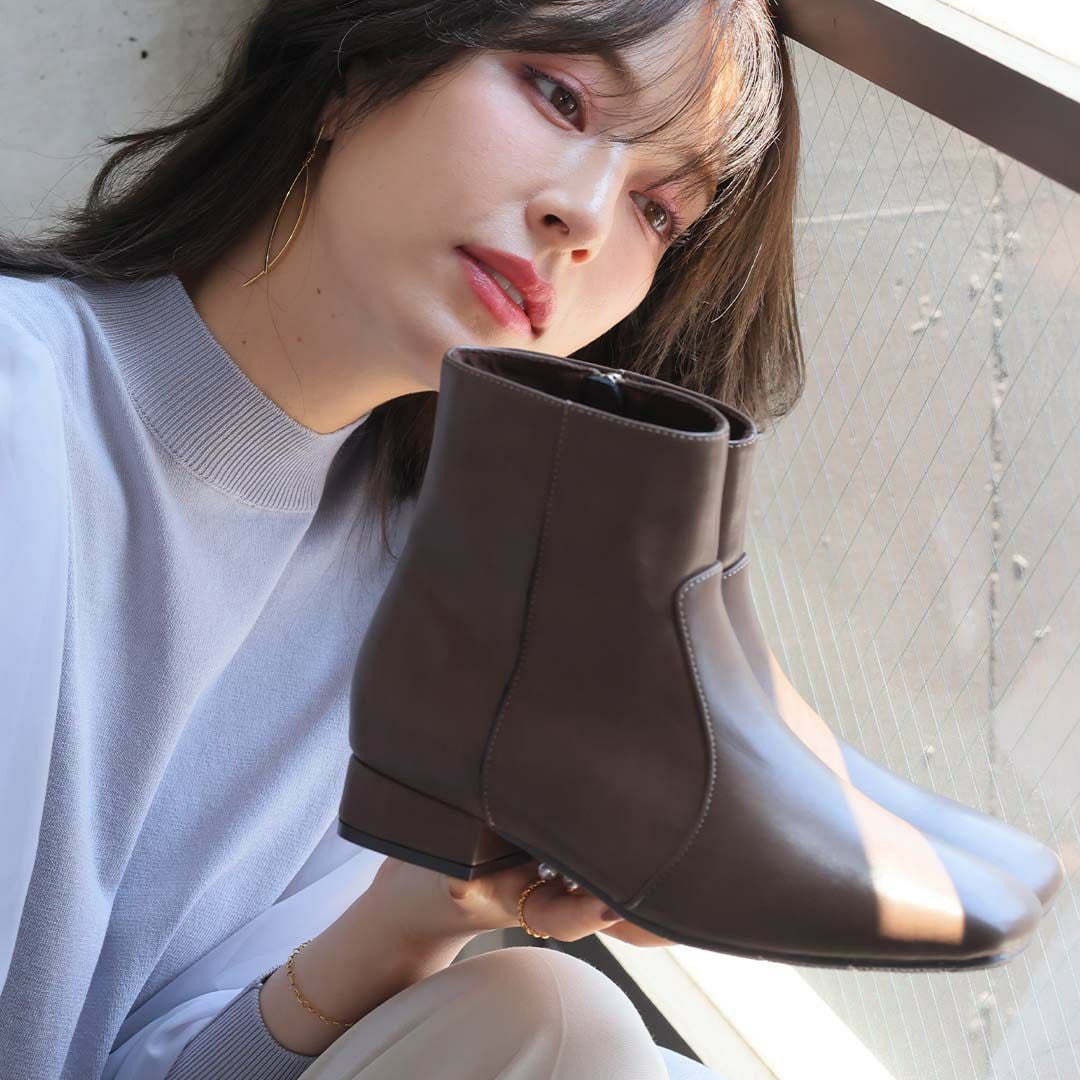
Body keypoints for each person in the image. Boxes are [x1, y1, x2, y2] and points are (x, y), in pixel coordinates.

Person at [0, 0, 803, 1076]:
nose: (583, 217)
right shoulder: (22, 401)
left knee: (562, 1020)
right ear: (359, 64)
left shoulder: (430, 609)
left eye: (658, 210)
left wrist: (415, 917)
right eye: (559, 96)